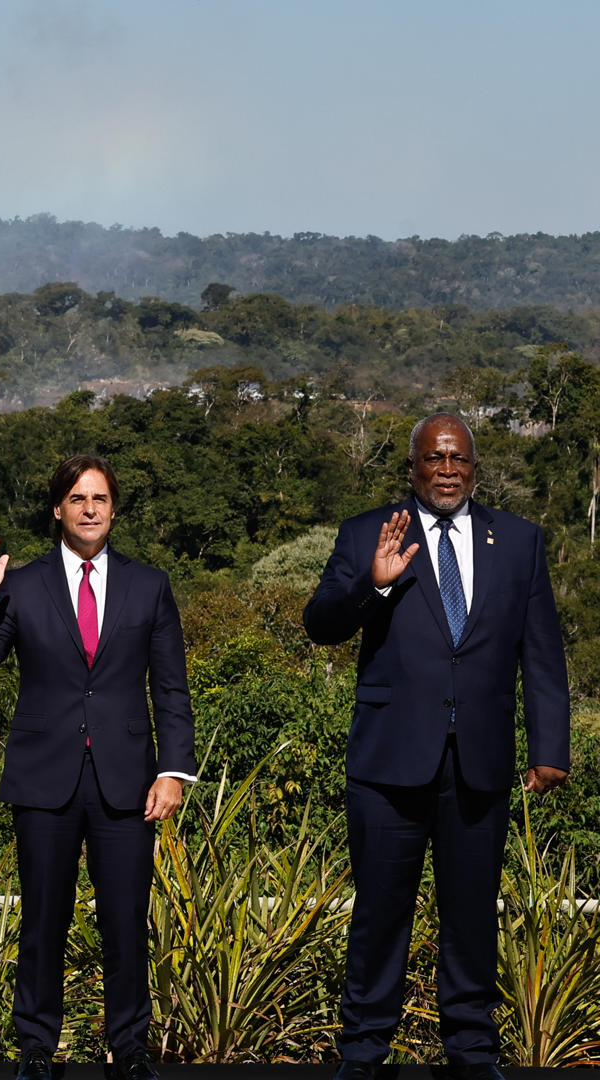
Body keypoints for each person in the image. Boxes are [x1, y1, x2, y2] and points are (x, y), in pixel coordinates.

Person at [305, 413, 569, 1080]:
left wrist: (550, 745)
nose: (447, 470)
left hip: (478, 761)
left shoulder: (518, 541)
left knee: (473, 913)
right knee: (380, 914)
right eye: (434, 459)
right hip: (389, 763)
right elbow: (321, 625)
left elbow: (541, 656)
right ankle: (364, 1051)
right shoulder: (368, 533)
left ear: (474, 469)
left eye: (459, 460)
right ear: (413, 467)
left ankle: (473, 1051)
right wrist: (377, 582)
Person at [0, 454, 196, 1080]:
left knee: (125, 917)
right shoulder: (21, 584)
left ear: (114, 509)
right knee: (43, 917)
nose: (91, 509)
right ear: (58, 508)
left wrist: (174, 770)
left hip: (128, 778)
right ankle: (36, 1046)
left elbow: (171, 688)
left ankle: (130, 1046)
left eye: (102, 499)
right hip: (44, 775)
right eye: (79, 499)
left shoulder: (150, 585)